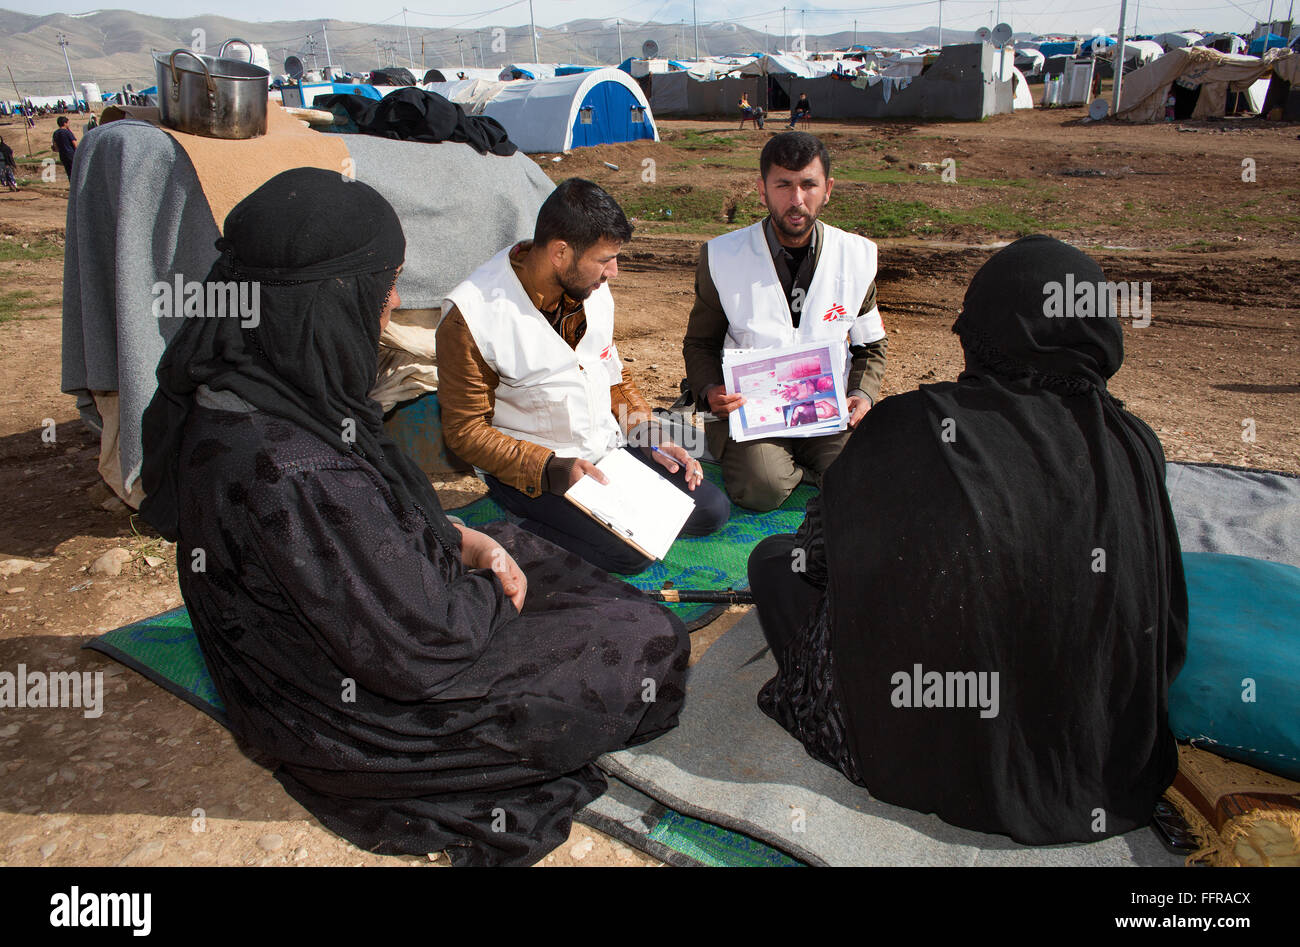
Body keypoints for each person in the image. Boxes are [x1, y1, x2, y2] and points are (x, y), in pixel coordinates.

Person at [138, 168, 691, 867]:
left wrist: (461, 541)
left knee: (543, 560)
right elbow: (420, 646)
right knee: (649, 638)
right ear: (322, 294)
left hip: (355, 638)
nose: (393, 301)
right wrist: (480, 580)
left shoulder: (247, 387)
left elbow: (375, 543)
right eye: (383, 281)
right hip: (358, 717)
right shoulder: (290, 470)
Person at [747, 235, 1188, 845]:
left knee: (773, 561)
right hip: (1103, 755)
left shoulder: (913, 427)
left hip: (928, 751)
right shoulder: (1135, 444)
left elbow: (821, 559)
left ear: (981, 328)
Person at [437, 177, 730, 575]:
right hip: (536, 472)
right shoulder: (471, 315)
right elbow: (465, 431)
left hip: (607, 454)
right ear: (560, 252)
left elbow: (615, 377)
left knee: (710, 510)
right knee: (630, 554)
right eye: (605, 258)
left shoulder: (591, 286)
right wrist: (552, 468)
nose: (615, 271)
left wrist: (652, 438)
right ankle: (517, 524)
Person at [682, 131, 887, 512]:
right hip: (753, 414)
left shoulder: (856, 257)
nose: (796, 200)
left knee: (865, 478)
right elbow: (700, 343)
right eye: (783, 185)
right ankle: (800, 470)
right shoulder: (722, 257)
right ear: (762, 190)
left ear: (828, 189)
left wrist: (862, 394)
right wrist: (710, 389)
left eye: (808, 185)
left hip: (827, 411)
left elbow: (870, 344)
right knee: (761, 489)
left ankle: (813, 466)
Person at [52, 115, 76, 179]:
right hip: (71, 154)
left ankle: (72, 186)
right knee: (76, 171)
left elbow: (55, 147)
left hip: (62, 155)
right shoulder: (67, 132)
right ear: (65, 123)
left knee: (69, 173)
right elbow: (75, 144)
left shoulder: (55, 133)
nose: (69, 124)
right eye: (68, 123)